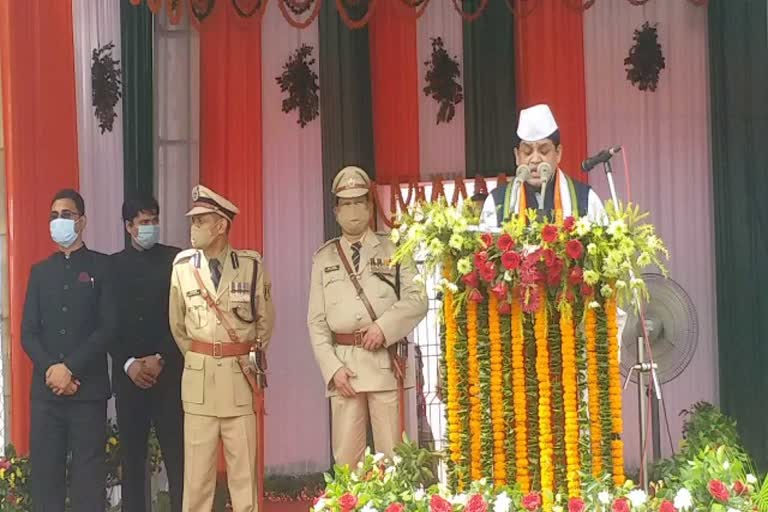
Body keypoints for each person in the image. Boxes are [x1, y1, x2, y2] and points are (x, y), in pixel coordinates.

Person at [307, 166, 428, 466]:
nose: (353, 210)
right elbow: (316, 322)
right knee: (347, 463)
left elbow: (418, 298)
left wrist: (385, 328)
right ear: (336, 211)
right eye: (346, 204)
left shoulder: (394, 247)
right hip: (345, 368)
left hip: (386, 364)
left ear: (370, 206)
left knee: (395, 460)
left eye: (359, 201)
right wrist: (332, 369)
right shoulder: (324, 258)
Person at [169, 185, 274, 512]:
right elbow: (178, 325)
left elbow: (264, 324)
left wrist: (237, 354)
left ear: (221, 226)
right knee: (197, 481)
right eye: (193, 220)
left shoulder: (251, 266)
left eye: (201, 221)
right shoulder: (183, 267)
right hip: (199, 385)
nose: (193, 227)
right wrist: (202, 355)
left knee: (244, 479)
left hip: (238, 381)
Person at [21, 189, 118, 512]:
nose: (58, 221)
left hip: (86, 391)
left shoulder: (101, 267)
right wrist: (53, 370)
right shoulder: (39, 272)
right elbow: (28, 333)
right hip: (47, 394)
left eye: (66, 215)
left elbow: (108, 328)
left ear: (82, 221)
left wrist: (70, 369)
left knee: (87, 480)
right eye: (53, 216)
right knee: (46, 478)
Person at [111, 197, 184, 512]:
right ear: (128, 227)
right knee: (133, 460)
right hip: (130, 379)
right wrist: (128, 363)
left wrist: (161, 357)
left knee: (179, 457)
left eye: (154, 220)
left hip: (168, 374)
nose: (150, 227)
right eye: (143, 222)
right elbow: (106, 323)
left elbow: (184, 317)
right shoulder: (111, 266)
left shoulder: (176, 260)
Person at [480, 104, 606, 229]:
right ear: (517, 156)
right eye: (527, 152)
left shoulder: (586, 199)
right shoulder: (496, 202)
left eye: (544, 151)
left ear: (558, 153)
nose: (535, 160)